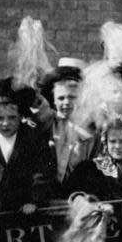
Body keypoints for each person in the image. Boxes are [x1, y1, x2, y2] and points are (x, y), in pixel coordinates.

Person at [0, 79, 56, 214]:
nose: (6, 124)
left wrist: (34, 201)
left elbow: (42, 172)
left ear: (20, 116)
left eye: (12, 118)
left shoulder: (33, 137)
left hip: (25, 208)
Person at [39, 57, 96, 187]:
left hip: (80, 193)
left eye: (72, 97)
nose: (66, 103)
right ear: (53, 100)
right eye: (61, 98)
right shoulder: (46, 125)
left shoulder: (91, 128)